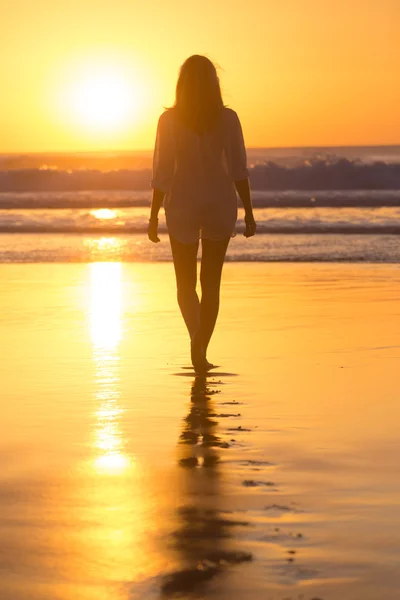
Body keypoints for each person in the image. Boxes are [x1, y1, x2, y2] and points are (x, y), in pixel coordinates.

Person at [148, 55, 256, 372]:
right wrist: (249, 212)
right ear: (214, 84)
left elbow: (163, 172)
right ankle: (200, 345)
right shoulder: (227, 118)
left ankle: (196, 340)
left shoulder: (168, 121)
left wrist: (153, 215)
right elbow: (239, 169)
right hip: (219, 203)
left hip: (181, 203)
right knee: (211, 285)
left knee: (185, 285)